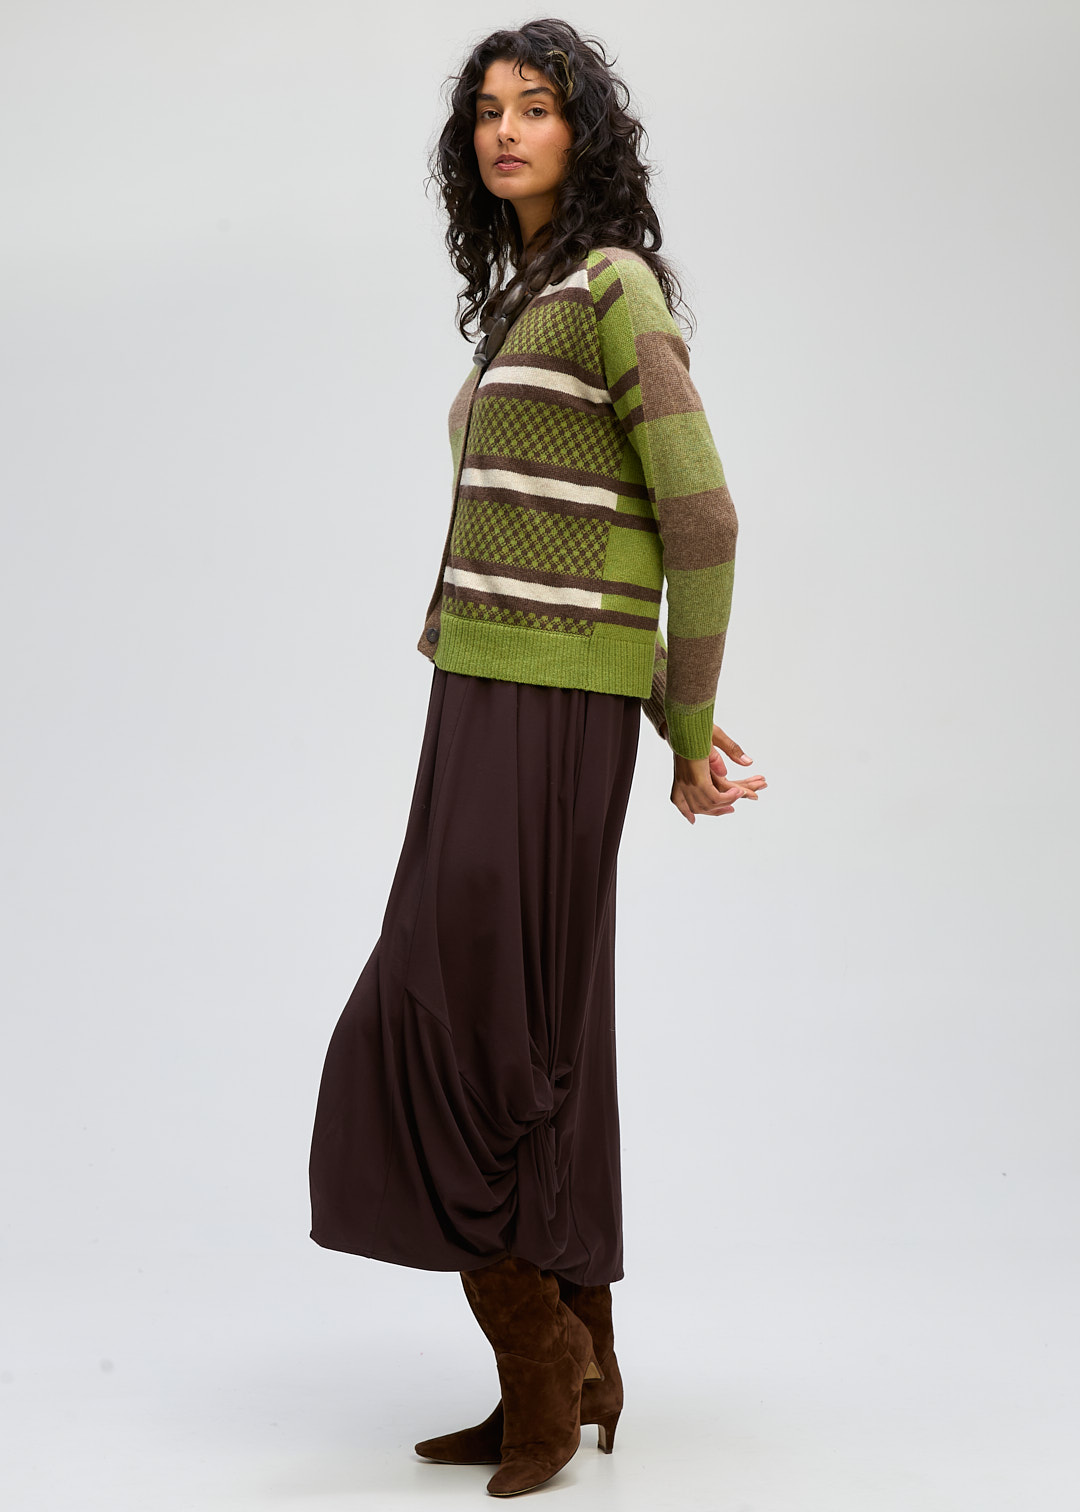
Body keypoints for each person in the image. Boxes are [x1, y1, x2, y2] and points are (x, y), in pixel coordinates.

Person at [307, 19, 767, 1498]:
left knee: (452, 1017)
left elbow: (700, 516)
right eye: (487, 112)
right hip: (483, 690)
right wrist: (655, 696)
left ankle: (539, 1364)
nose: (507, 130)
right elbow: (579, 529)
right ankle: (574, 1357)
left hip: (548, 714)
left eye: (538, 107)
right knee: (534, 1027)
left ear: (586, 134)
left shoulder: (613, 284)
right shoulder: (525, 298)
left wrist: (684, 719)